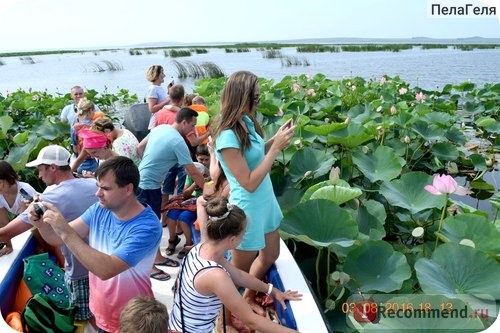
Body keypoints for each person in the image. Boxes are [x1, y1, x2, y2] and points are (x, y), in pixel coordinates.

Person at [29, 156, 162, 333]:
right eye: (98, 186)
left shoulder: (147, 227)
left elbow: (106, 270)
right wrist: (41, 224)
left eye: (105, 188)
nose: (98, 193)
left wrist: (65, 230)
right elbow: (57, 239)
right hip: (100, 310)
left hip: (132, 320)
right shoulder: (99, 209)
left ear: (128, 189)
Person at [212, 70, 296, 314]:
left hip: (266, 203)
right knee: (236, 273)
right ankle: (225, 317)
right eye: (255, 97)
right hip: (247, 209)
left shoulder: (246, 122)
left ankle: (248, 298)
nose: (259, 100)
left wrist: (275, 140)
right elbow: (248, 182)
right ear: (241, 96)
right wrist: (276, 150)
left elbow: (256, 154)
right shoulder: (227, 136)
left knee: (270, 255)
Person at [169, 197, 301, 333]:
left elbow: (239, 275)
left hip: (176, 325)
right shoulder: (215, 275)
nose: (243, 238)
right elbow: (251, 320)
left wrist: (272, 290)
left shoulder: (202, 249)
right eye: (243, 235)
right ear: (232, 240)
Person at [0, 145, 98, 323]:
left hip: (81, 270)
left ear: (52, 167)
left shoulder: (50, 198)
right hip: (104, 262)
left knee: (91, 318)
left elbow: (5, 234)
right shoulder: (94, 184)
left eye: (40, 169)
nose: (38, 176)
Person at [136, 107, 206, 281]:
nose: (193, 130)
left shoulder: (160, 128)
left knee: (151, 222)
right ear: (184, 122)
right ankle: (149, 266)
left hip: (140, 180)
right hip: (148, 186)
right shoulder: (178, 141)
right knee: (148, 226)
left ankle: (157, 257)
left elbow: (139, 147)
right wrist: (207, 189)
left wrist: (149, 164)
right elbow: (193, 172)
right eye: (192, 125)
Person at [71, 118, 141, 172]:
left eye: (99, 136)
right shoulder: (125, 131)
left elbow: (124, 169)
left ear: (107, 131)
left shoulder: (118, 145)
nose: (97, 139)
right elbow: (79, 160)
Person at [0, 161, 37, 256]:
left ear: (10, 177)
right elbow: (4, 223)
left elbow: (37, 214)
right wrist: (9, 246)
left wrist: (23, 211)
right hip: (24, 219)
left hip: (38, 219)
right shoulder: (0, 196)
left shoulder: (24, 190)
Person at [71, 98, 101, 175]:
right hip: (95, 163)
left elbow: (74, 147)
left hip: (80, 165)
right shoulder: (96, 126)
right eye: (94, 110)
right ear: (91, 110)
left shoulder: (74, 127)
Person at [145, 65, 172, 130]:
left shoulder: (158, 87)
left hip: (163, 120)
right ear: (156, 75)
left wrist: (169, 91)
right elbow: (152, 109)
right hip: (157, 123)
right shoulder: (153, 89)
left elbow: (162, 100)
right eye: (162, 73)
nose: (164, 75)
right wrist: (167, 100)